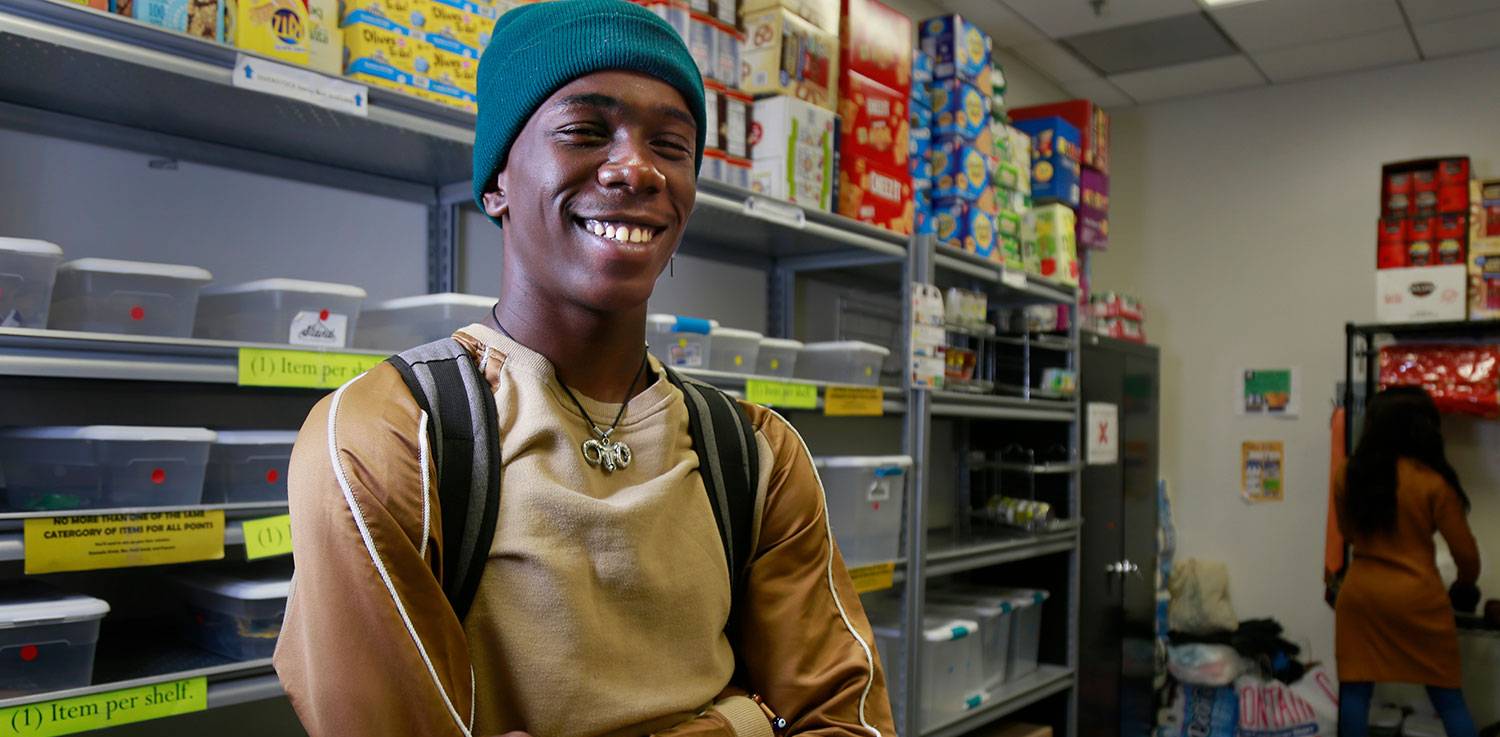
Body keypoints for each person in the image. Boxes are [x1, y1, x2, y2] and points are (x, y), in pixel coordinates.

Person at [271, 2, 897, 736]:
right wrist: (740, 724)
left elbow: (847, 722)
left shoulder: (756, 454)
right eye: (583, 131)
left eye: (671, 143)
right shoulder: (386, 437)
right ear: (498, 179)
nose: (637, 167)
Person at [1334, 386, 1481, 737]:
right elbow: (1467, 556)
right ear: (1422, 427)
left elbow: (1348, 533)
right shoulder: (1433, 482)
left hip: (1361, 596)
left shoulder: (1348, 474)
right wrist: (1463, 586)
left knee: (1355, 691)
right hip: (1418, 600)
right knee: (1448, 697)